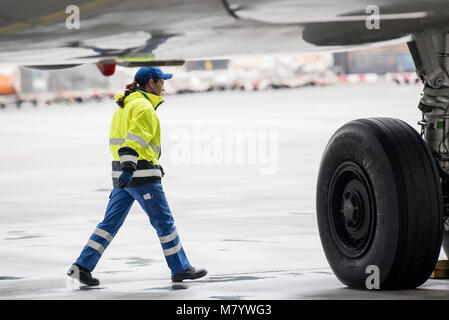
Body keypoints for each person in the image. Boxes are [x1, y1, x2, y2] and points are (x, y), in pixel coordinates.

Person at [67, 66, 207, 286]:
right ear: (151, 83)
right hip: (140, 176)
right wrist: (131, 167)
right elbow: (133, 141)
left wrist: (127, 169)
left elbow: (121, 142)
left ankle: (81, 267)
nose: (164, 86)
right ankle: (180, 269)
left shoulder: (125, 105)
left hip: (122, 177)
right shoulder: (143, 108)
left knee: (109, 223)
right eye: (161, 81)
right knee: (164, 223)